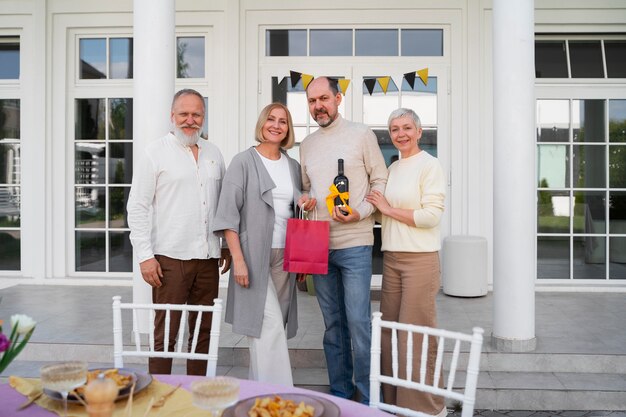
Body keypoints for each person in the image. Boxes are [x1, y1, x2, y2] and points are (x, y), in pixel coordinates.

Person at [126, 89, 231, 376]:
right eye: (183, 114)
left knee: (203, 334)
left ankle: (197, 396)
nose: (190, 120)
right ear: (172, 116)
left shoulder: (214, 153)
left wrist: (224, 246)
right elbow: (137, 207)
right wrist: (145, 257)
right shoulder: (155, 153)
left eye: (196, 114)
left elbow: (221, 205)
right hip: (169, 261)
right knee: (165, 337)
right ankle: (161, 396)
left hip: (208, 260)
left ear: (203, 118)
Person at [297, 77, 388, 403]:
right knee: (333, 326)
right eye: (312, 101)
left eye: (324, 98)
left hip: (355, 244)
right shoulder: (307, 145)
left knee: (358, 324)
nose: (318, 106)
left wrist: (362, 211)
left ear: (338, 98)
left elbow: (381, 179)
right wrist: (305, 199)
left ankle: (366, 400)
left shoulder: (361, 135)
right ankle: (340, 394)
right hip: (319, 245)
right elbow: (306, 187)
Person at [212, 103, 309, 385]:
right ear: (262, 123)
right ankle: (282, 397)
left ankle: (260, 394)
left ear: (288, 129)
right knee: (268, 325)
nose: (276, 125)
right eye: (271, 119)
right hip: (252, 256)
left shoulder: (292, 165)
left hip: (285, 255)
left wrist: (304, 201)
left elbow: (295, 207)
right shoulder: (243, 161)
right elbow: (228, 215)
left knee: (268, 327)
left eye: (283, 121)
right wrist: (238, 260)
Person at [365, 108, 447, 417]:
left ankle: (426, 407)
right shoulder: (394, 167)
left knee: (415, 332)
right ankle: (395, 402)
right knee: (390, 331)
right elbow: (381, 212)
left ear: (419, 131)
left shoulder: (430, 166)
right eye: (395, 129)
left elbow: (431, 216)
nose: (401, 134)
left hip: (420, 261)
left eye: (407, 127)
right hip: (392, 258)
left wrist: (386, 208)